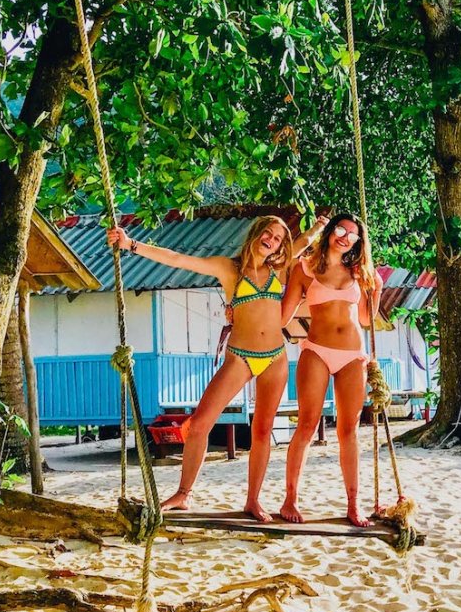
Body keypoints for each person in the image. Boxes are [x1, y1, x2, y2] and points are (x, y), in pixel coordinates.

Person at [107, 213, 325, 521]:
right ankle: (184, 493)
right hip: (240, 355)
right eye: (269, 233)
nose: (272, 241)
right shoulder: (229, 268)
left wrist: (319, 227)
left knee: (262, 430)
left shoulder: (280, 268)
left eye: (278, 238)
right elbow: (178, 259)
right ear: (257, 232)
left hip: (275, 357)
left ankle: (252, 500)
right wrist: (131, 245)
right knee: (199, 423)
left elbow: (303, 243)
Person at [280, 213, 381, 526]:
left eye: (352, 234)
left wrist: (375, 291)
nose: (345, 237)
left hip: (352, 354)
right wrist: (244, 315)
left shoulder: (358, 272)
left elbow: (366, 320)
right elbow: (283, 316)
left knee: (348, 431)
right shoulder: (304, 268)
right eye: (340, 229)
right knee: (307, 425)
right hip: (317, 351)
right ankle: (290, 499)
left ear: (358, 242)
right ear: (329, 231)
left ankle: (353, 504)